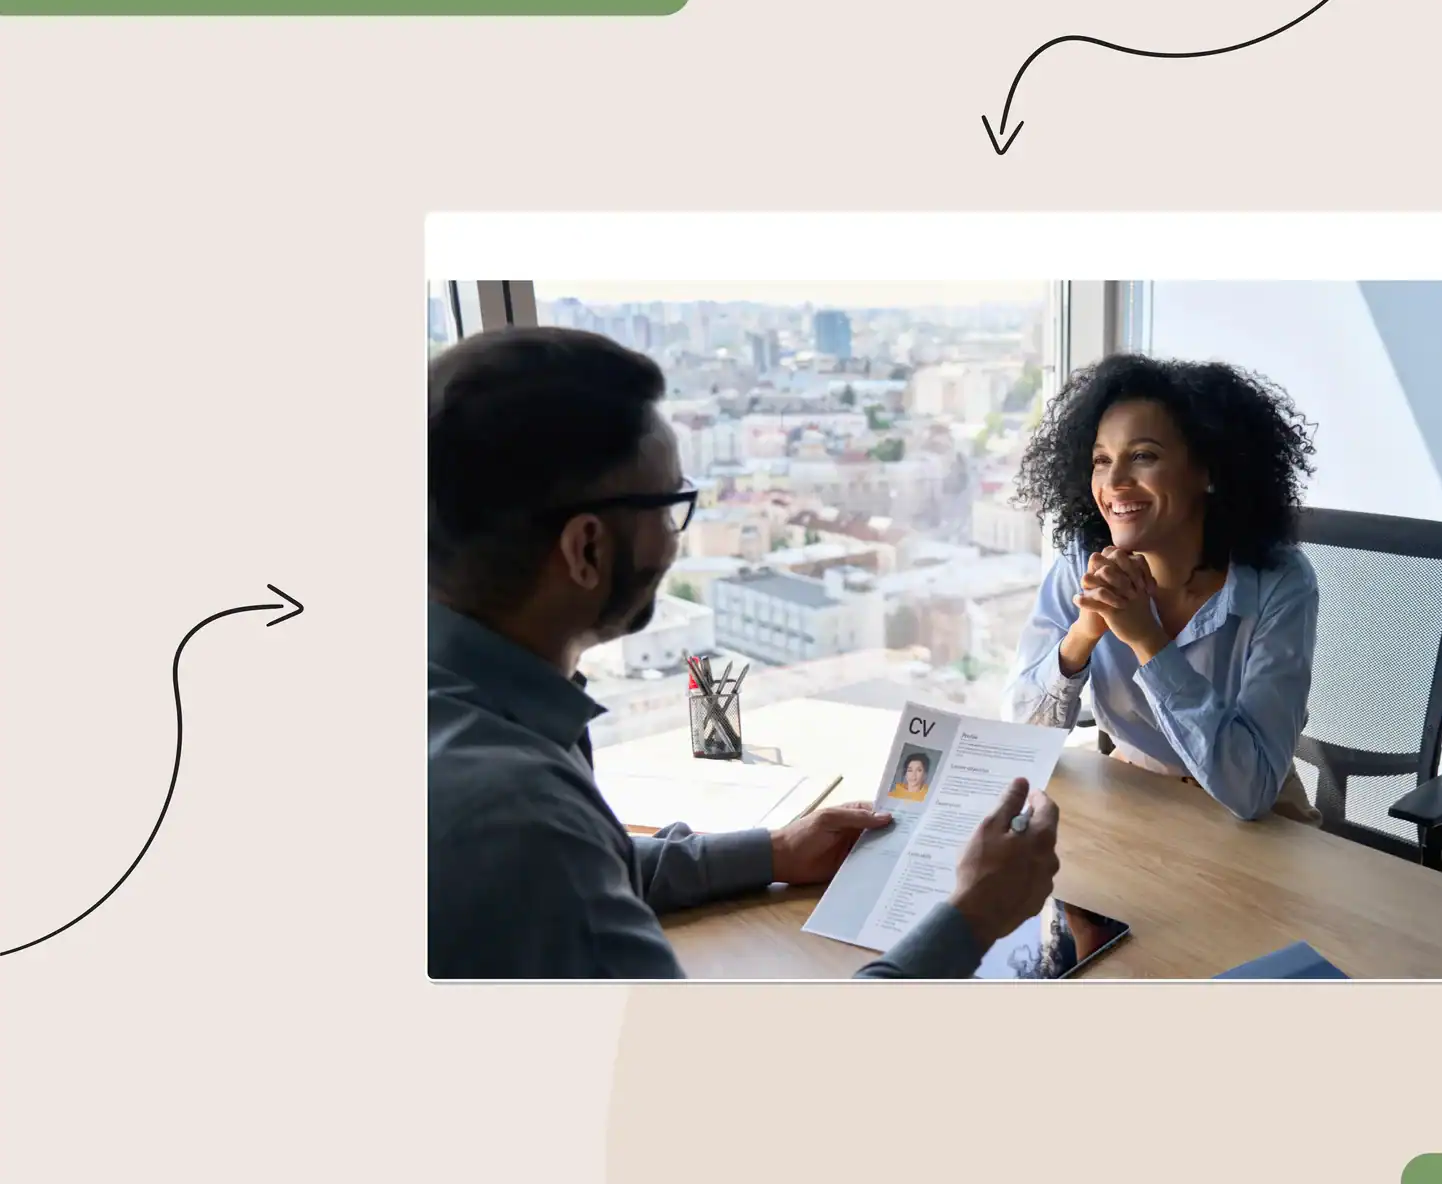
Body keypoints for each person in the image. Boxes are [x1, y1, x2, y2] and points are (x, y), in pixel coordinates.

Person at [429, 326, 1059, 979]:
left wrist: (774, 852)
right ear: (586, 549)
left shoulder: (462, 713)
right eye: (672, 505)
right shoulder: (513, 817)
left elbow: (582, 871)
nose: (676, 540)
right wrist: (973, 916)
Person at [1002, 353, 1319, 822]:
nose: (1114, 482)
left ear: (1208, 471)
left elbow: (1250, 788)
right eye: (1101, 460)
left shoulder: (1279, 582)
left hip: (1255, 820)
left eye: (1143, 457)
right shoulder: (1082, 558)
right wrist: (1083, 634)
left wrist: (1147, 639)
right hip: (1133, 795)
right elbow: (1022, 735)